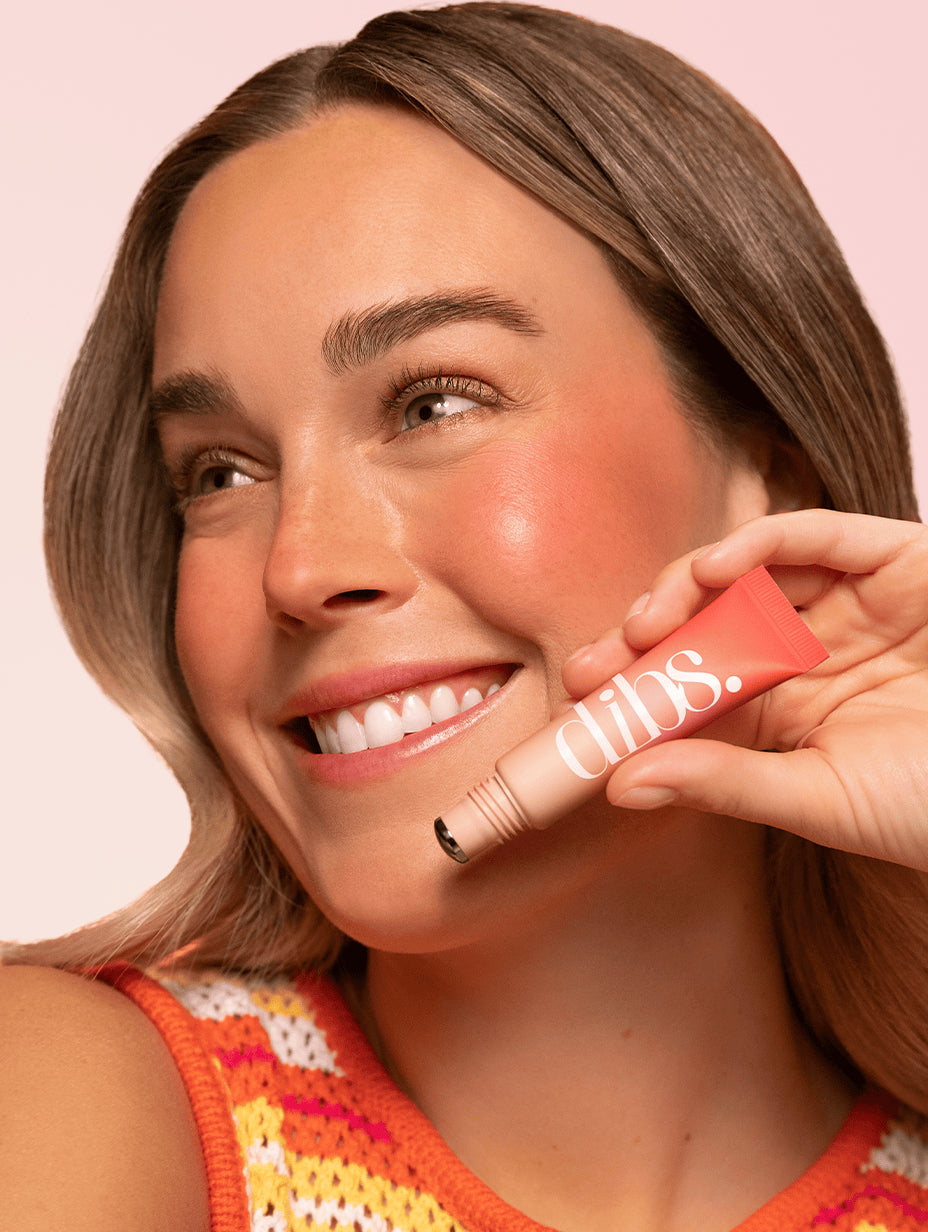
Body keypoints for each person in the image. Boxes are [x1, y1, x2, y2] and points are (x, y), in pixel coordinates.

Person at [3, 4, 927, 1229]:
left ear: (777, 478)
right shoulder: (73, 1089)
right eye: (219, 471)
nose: (297, 566)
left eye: (435, 402)